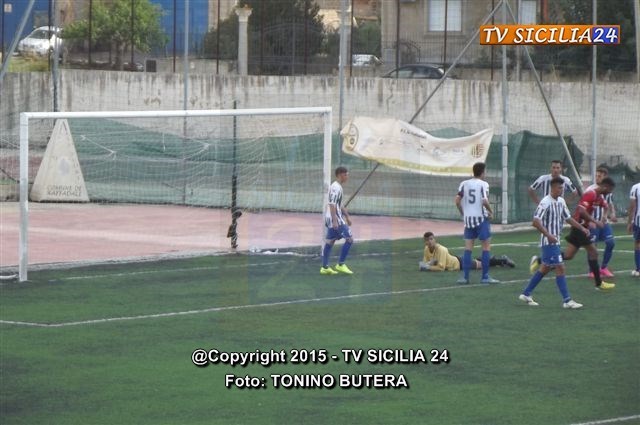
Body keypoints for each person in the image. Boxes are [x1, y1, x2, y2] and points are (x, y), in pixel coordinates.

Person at [529, 177, 616, 290]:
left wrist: (604, 217)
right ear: (605, 187)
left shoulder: (599, 197)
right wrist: (594, 221)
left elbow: (605, 206)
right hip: (580, 228)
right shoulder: (591, 194)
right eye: (610, 189)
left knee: (569, 255)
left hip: (580, 228)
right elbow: (581, 210)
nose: (610, 192)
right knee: (593, 252)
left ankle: (539, 260)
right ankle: (599, 283)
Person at [519, 177, 586, 309]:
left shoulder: (561, 201)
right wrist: (548, 235)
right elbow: (535, 221)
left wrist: (582, 228)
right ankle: (567, 300)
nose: (562, 190)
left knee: (544, 268)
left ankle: (526, 293)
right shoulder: (545, 202)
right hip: (548, 242)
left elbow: (568, 218)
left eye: (563, 188)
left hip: (556, 240)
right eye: (559, 188)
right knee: (560, 267)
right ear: (553, 188)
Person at [454, 162, 499, 284]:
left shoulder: (464, 184)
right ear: (483, 172)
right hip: (481, 219)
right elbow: (484, 201)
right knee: (485, 248)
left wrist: (463, 213)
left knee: (468, 249)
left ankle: (465, 277)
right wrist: (491, 211)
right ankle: (485, 277)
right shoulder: (483, 184)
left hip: (468, 220)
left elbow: (457, 201)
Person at [419, 231, 515, 271]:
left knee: (482, 265)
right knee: (478, 261)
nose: (430, 241)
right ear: (425, 242)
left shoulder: (441, 249)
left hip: (460, 264)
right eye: (428, 240)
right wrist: (426, 264)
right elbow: (425, 262)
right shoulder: (426, 249)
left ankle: (503, 260)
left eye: (432, 239)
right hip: (458, 260)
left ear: (435, 239)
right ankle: (491, 259)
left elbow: (441, 268)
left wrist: (427, 267)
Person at [320, 166, 354, 275]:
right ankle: (340, 264)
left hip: (332, 218)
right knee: (349, 240)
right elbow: (332, 204)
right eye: (346, 175)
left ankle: (325, 267)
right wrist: (335, 221)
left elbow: (339, 204)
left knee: (330, 242)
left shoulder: (338, 187)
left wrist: (347, 216)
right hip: (336, 219)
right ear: (340, 175)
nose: (347, 177)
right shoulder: (335, 187)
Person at [585, 167, 617, 277]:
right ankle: (592, 271)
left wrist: (611, 214)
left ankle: (603, 267)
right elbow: (584, 208)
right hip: (593, 223)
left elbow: (609, 204)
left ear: (605, 178)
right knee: (593, 247)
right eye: (597, 175)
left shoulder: (607, 190)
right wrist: (588, 221)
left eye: (600, 176)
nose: (597, 178)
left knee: (611, 243)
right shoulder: (590, 190)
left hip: (604, 223)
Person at [627, 182, 640, 277]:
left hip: (638, 221)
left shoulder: (635, 187)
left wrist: (629, 222)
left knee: (638, 244)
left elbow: (632, 207)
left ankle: (639, 269)